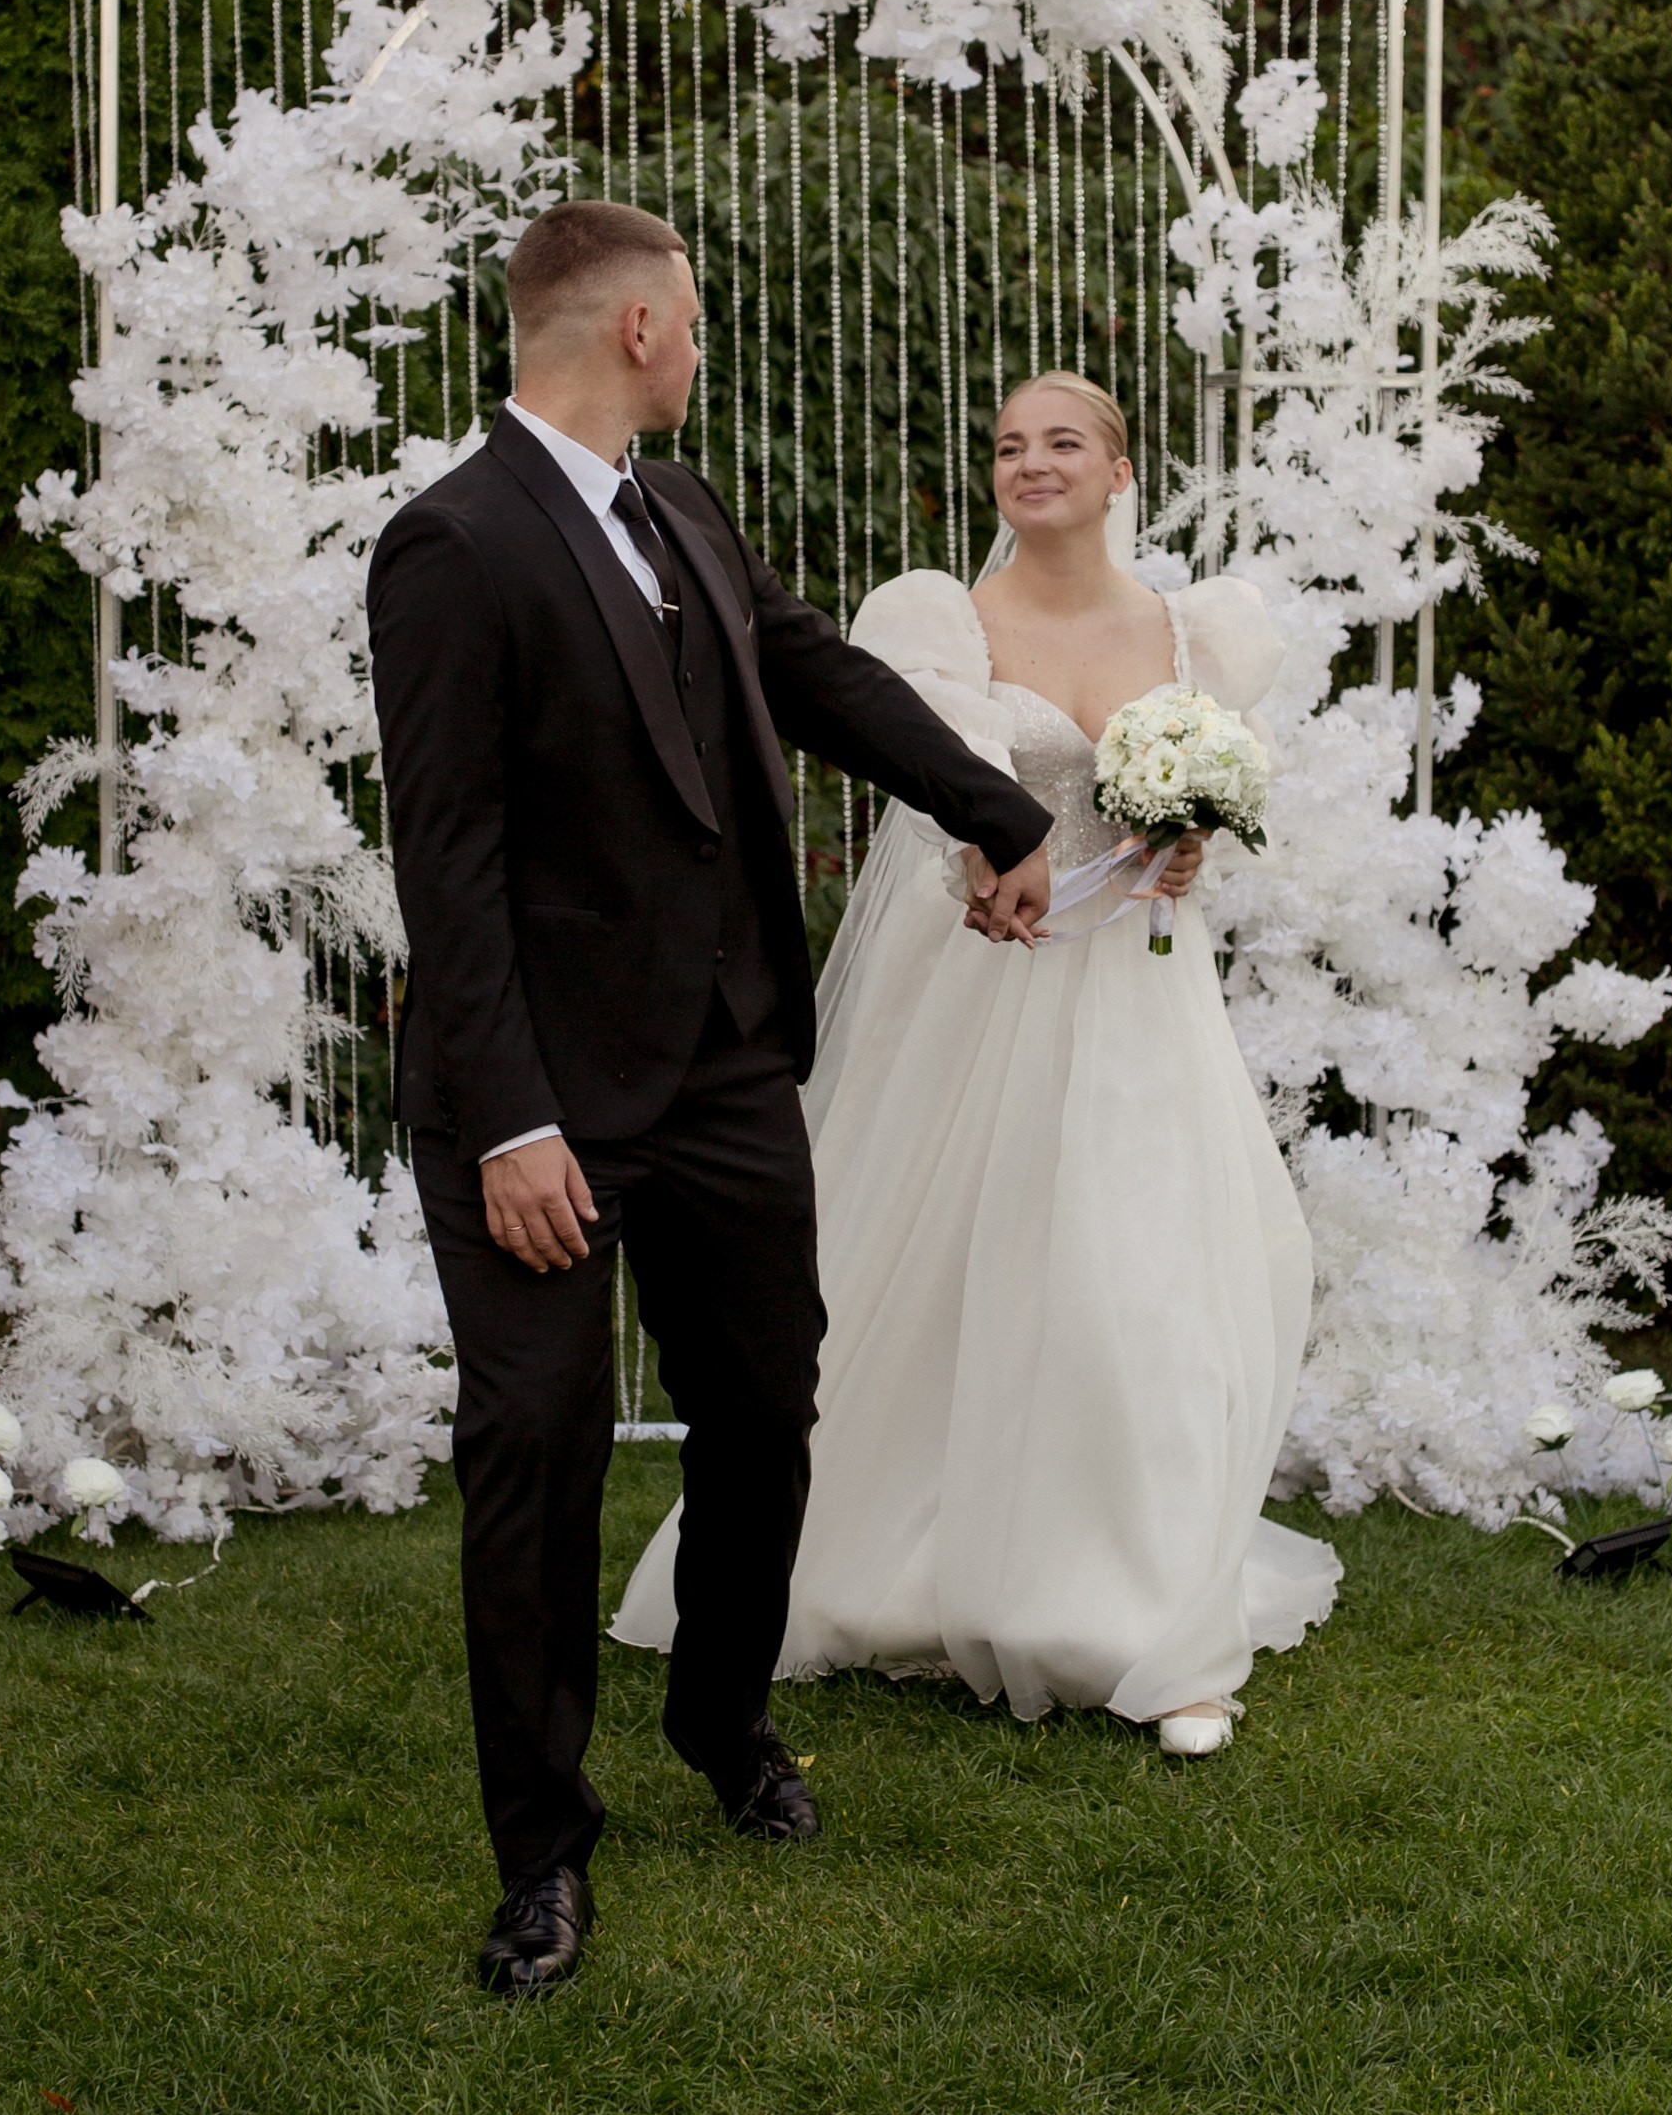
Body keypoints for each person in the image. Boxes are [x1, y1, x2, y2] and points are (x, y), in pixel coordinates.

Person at [366, 201, 1054, 1998]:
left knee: (765, 1406)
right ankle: (541, 1853)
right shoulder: (450, 544)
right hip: (534, 1102)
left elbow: (810, 670)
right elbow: (445, 857)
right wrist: (511, 1122)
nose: (702, 341)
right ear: (643, 331)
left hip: (728, 1060)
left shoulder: (680, 509)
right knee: (539, 1449)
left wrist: (995, 805)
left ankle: (720, 1723)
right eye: (696, 317)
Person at [616, 368, 1340, 1750]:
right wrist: (971, 842)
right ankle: (873, 1570)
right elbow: (920, 772)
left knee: (1134, 1282)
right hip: (974, 980)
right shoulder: (936, 620)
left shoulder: (1202, 635)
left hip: (1132, 999)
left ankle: (1133, 1616)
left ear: (1120, 472)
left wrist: (1190, 840)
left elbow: (1215, 800)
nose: (1030, 463)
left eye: (1062, 442)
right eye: (1008, 445)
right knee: (938, 1261)